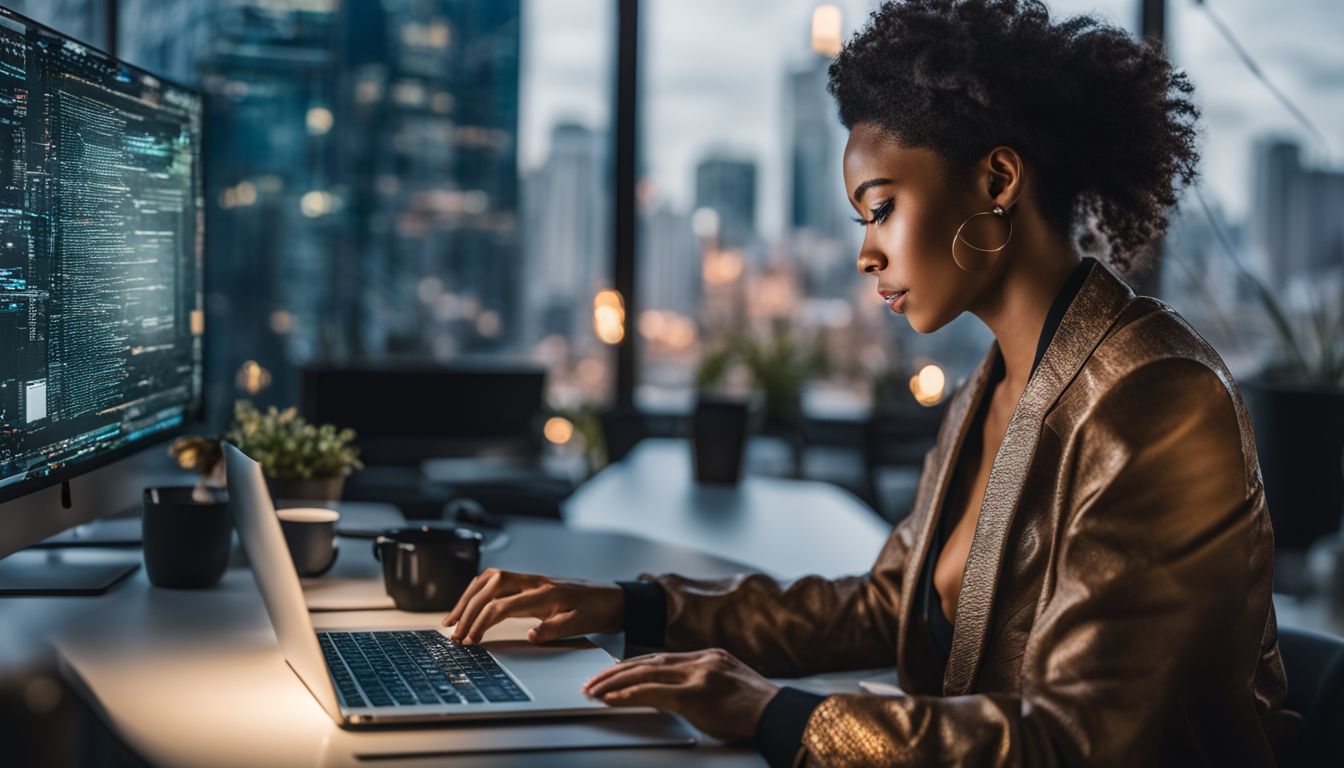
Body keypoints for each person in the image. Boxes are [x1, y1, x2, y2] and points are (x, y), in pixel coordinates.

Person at [441, 1, 1297, 764]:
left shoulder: (1157, 398)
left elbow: (1082, 738)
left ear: (998, 181)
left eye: (882, 207)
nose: (865, 252)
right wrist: (633, 609)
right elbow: (890, 604)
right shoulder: (992, 386)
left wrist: (782, 716)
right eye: (861, 219)